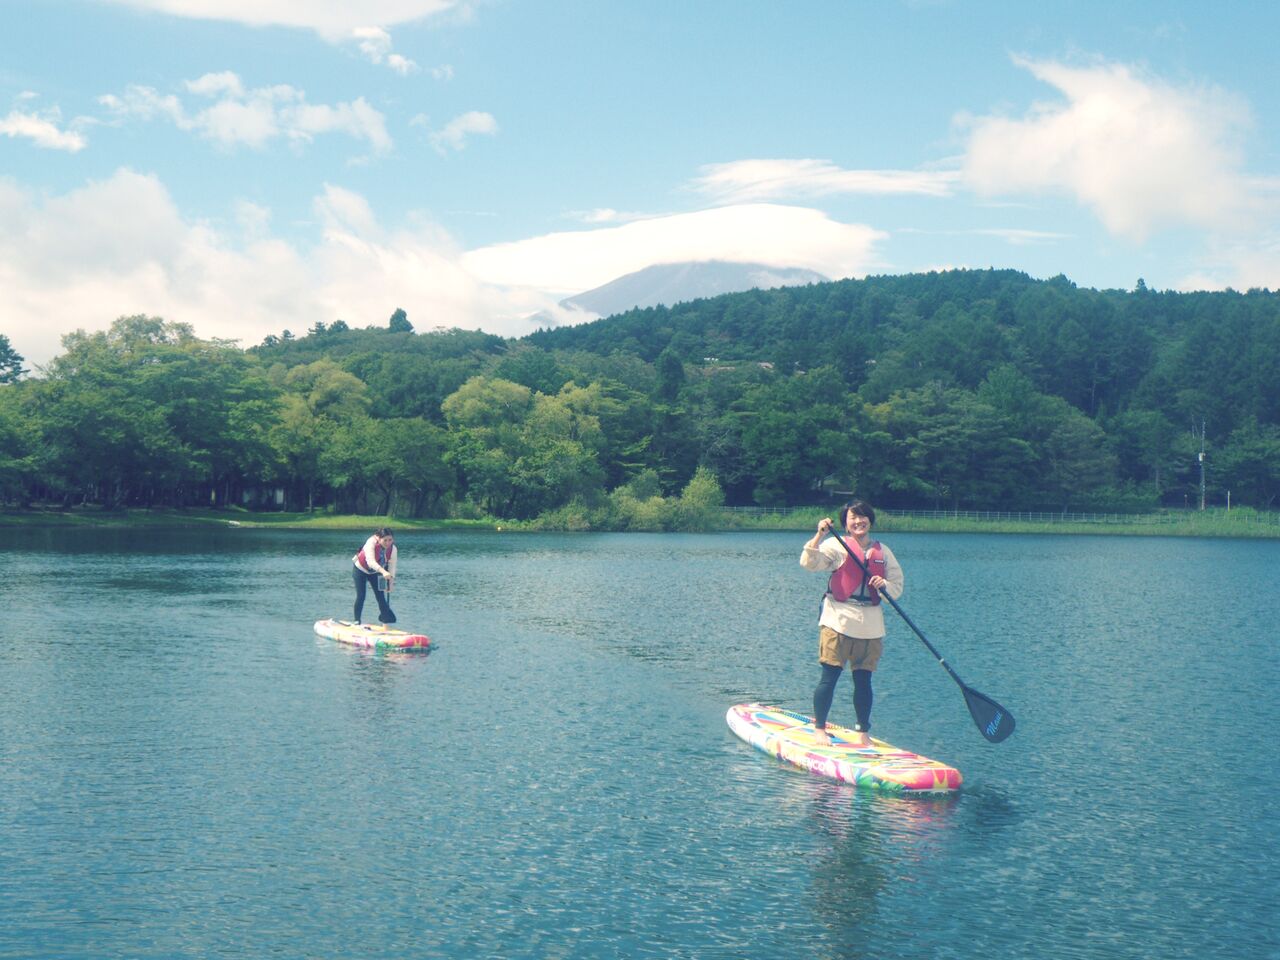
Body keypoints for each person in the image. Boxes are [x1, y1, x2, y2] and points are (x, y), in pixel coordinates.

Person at [799, 500, 903, 748]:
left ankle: (863, 733)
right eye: (853, 518)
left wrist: (884, 585)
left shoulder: (883, 552)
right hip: (838, 620)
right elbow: (809, 563)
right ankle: (819, 729)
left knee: (864, 681)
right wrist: (819, 535)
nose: (858, 521)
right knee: (829, 677)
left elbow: (897, 588)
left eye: (863, 516)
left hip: (870, 625)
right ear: (846, 524)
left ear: (870, 520)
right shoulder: (837, 545)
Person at [352, 527, 398, 624]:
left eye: (390, 540)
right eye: (385, 540)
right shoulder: (371, 542)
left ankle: (385, 621)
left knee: (381, 597)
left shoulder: (393, 549)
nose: (388, 543)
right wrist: (384, 572)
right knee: (361, 596)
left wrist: (391, 583)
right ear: (378, 538)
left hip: (377, 572)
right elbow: (371, 562)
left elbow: (392, 566)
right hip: (360, 570)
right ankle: (357, 621)